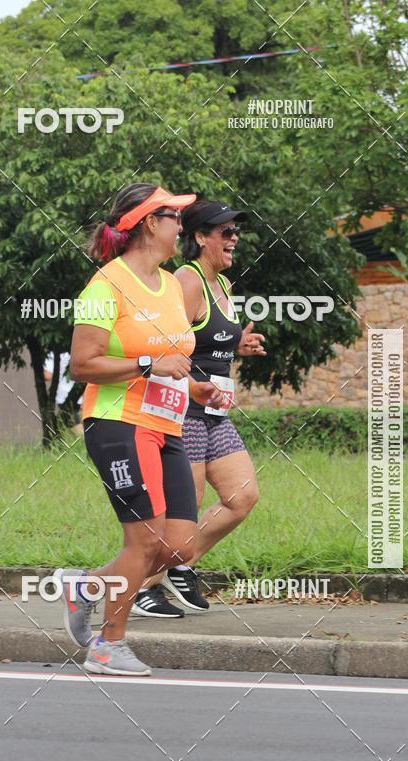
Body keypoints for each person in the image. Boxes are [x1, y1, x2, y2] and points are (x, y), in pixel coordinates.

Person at [56, 183, 222, 676]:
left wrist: (194, 388)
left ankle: (84, 587)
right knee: (144, 541)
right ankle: (108, 646)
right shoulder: (104, 287)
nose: (182, 226)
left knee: (179, 546)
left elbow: (175, 356)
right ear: (151, 224)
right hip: (118, 424)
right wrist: (148, 363)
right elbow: (81, 366)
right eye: (175, 217)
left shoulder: (171, 285)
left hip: (167, 423)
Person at [132, 199, 266, 617]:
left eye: (234, 231)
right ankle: (140, 587)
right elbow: (161, 351)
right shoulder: (186, 282)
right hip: (180, 410)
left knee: (242, 496)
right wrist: (193, 387)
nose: (233, 239)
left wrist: (238, 346)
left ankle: (180, 565)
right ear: (200, 237)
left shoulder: (222, 285)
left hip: (213, 411)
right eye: (224, 232)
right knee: (180, 517)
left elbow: (204, 343)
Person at [43, 351, 81, 430]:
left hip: (64, 396)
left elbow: (47, 376)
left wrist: (39, 367)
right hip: (80, 395)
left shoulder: (53, 352)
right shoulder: (77, 348)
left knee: (75, 426)